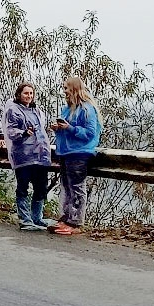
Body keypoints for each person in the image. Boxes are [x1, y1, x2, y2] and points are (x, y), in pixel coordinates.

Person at [51, 76, 102, 235]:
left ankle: (75, 222)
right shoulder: (67, 109)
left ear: (74, 89)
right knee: (66, 187)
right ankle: (65, 217)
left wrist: (69, 128)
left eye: (66, 88)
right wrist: (59, 128)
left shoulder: (87, 109)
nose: (64, 91)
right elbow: (68, 129)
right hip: (65, 152)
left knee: (77, 188)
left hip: (80, 153)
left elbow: (90, 133)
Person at [4, 82, 52, 231]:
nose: (29, 96)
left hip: (40, 154)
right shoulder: (13, 110)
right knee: (23, 187)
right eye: (26, 93)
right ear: (19, 94)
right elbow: (10, 131)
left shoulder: (36, 110)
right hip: (23, 155)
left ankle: (37, 217)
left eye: (31, 93)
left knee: (41, 188)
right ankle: (25, 219)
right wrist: (24, 132)